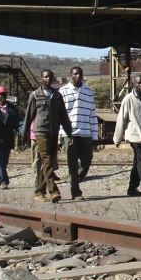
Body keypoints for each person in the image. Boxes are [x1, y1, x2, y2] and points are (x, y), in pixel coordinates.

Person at [24, 70, 71, 203]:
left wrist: (69, 132)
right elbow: (29, 115)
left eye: (50, 77)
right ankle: (53, 190)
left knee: (48, 162)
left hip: (54, 132)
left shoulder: (57, 95)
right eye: (46, 77)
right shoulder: (35, 95)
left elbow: (63, 116)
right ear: (41, 79)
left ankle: (39, 191)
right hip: (41, 132)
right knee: (47, 160)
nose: (48, 79)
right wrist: (23, 133)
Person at [59, 65, 99, 200]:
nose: (78, 76)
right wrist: (61, 134)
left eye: (80, 74)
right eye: (75, 74)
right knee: (72, 163)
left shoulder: (88, 91)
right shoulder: (63, 91)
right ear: (71, 75)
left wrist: (95, 135)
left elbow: (92, 113)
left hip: (86, 132)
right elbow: (60, 114)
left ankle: (74, 180)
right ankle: (76, 192)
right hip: (69, 133)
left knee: (87, 159)